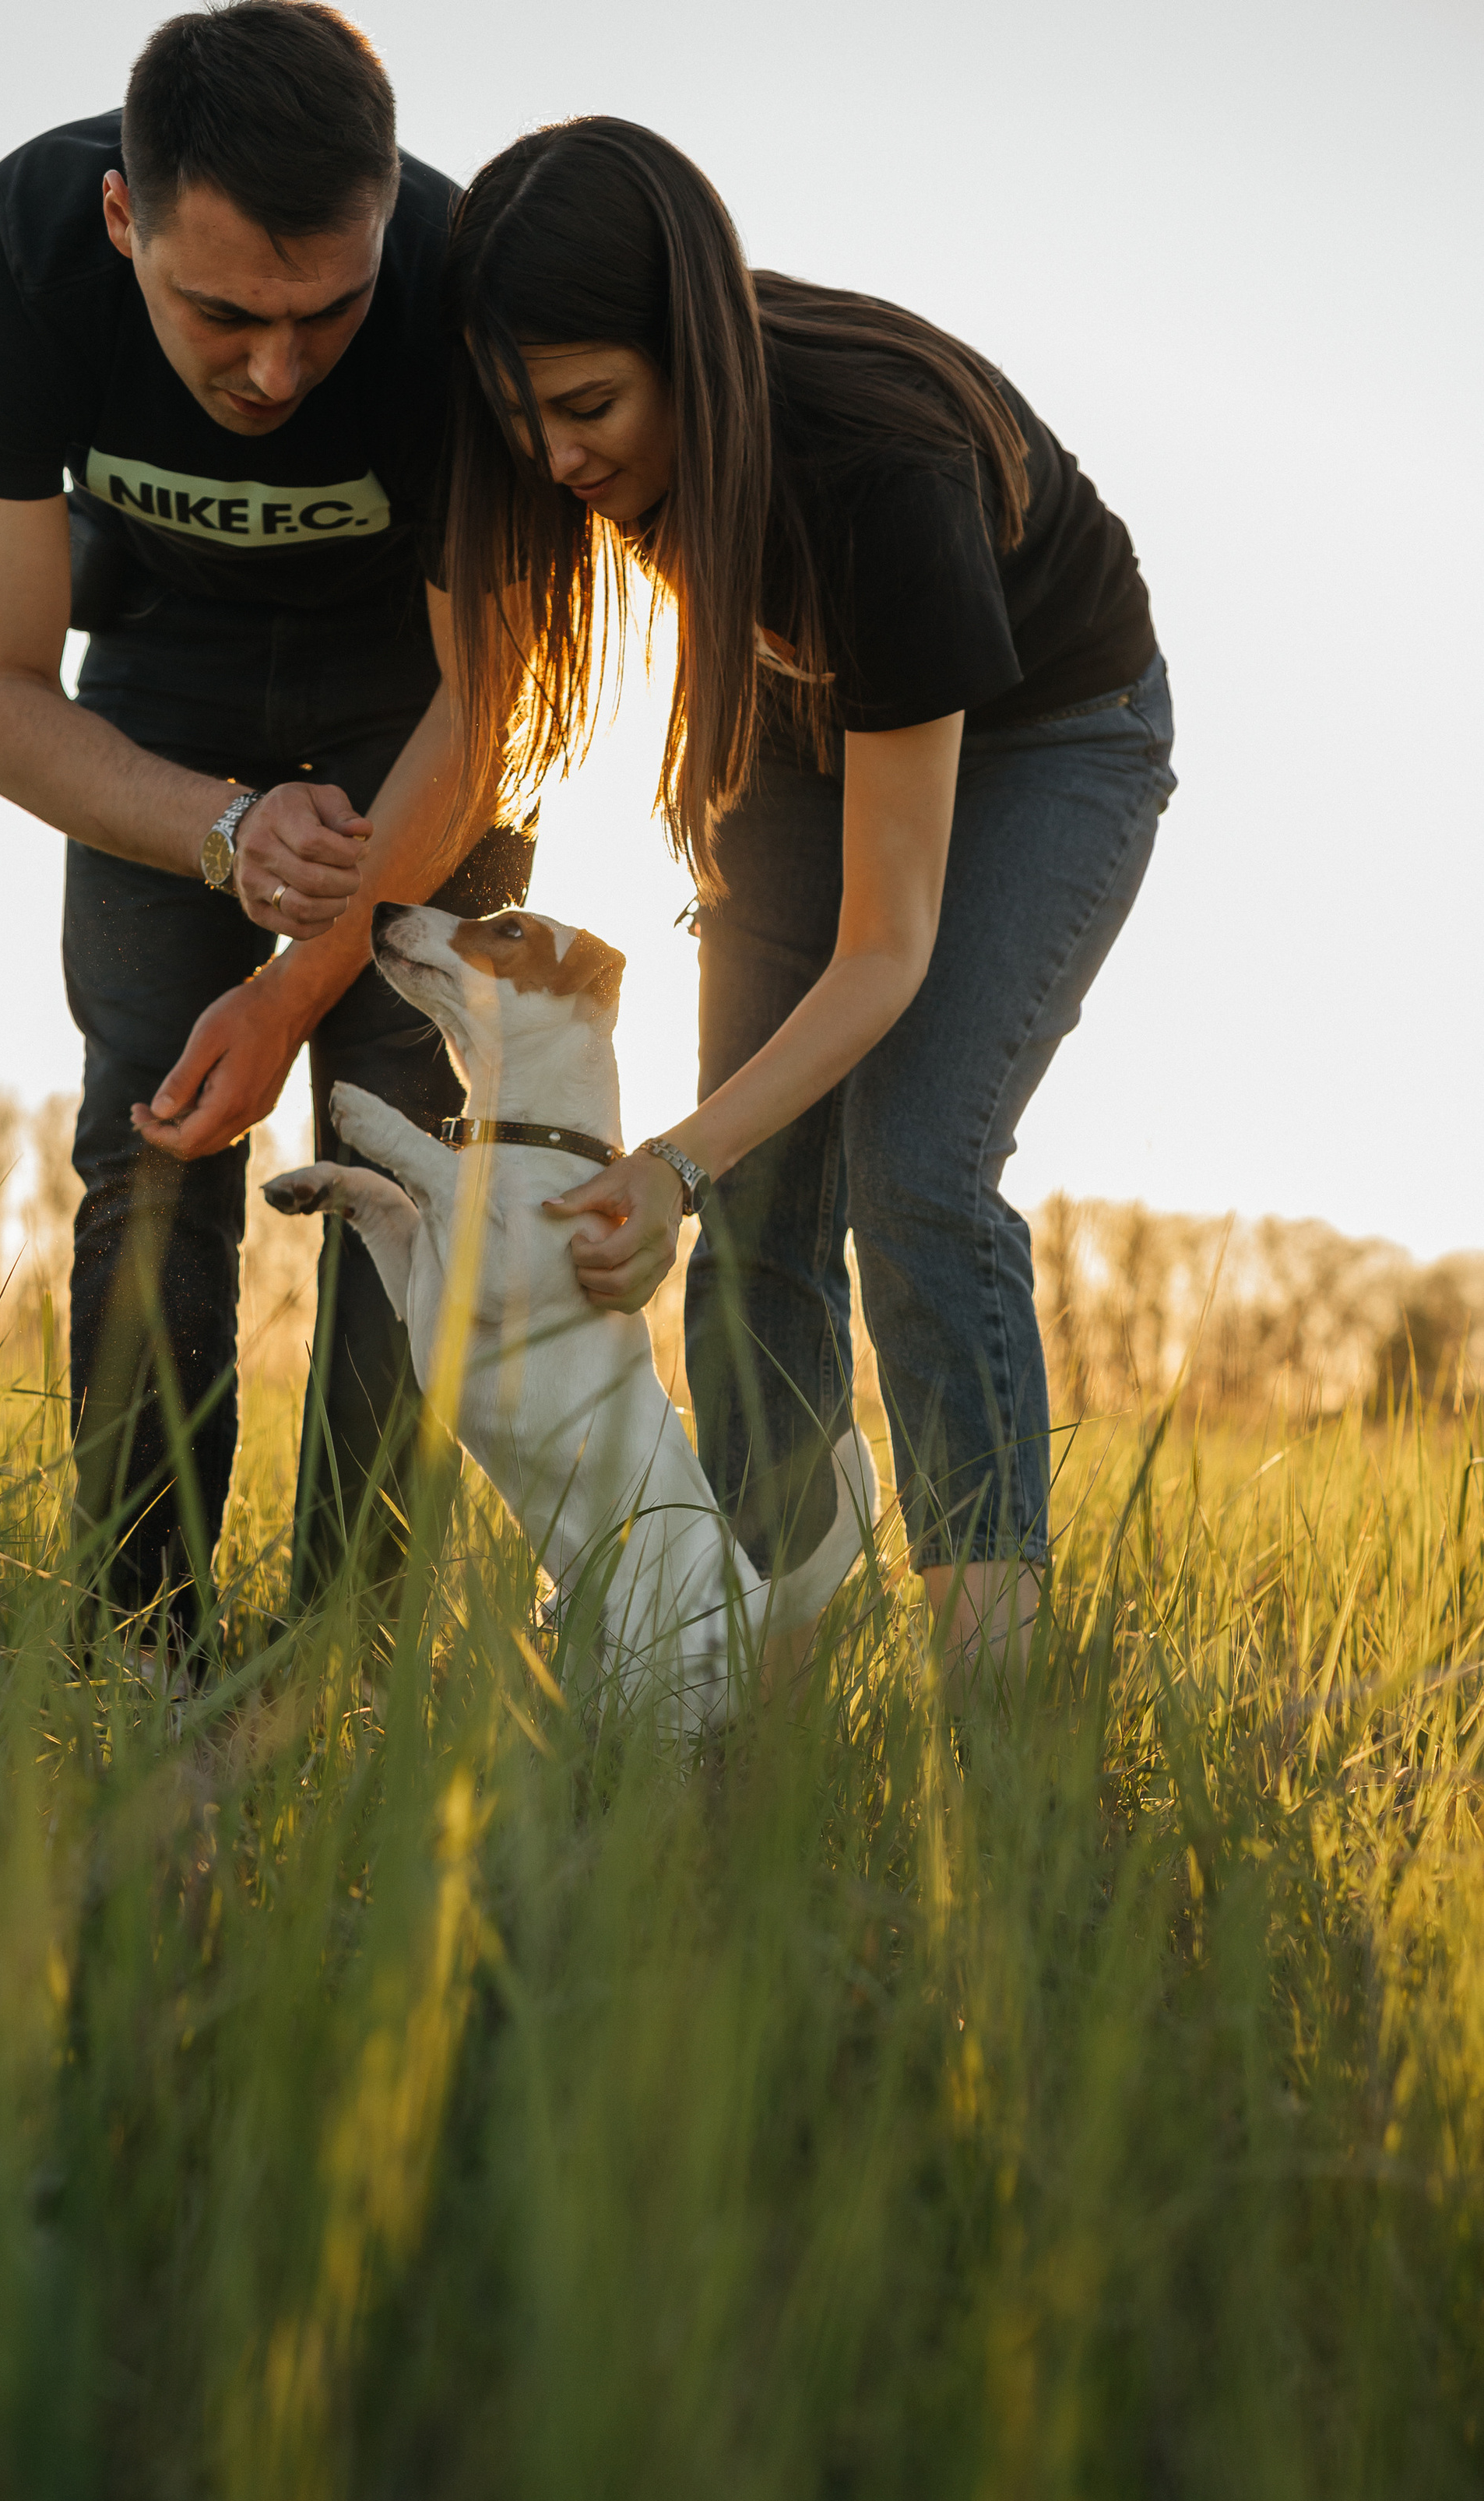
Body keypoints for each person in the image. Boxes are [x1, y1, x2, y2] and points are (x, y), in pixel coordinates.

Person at [437, 120, 1176, 1675]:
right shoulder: (593, 450)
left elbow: (884, 952)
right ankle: (757, 1671)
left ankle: (996, 1686)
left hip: (1051, 733)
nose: (559, 462)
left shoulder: (877, 474)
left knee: (913, 1169)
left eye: (586, 410)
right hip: (807, 715)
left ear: (688, 357)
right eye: (524, 422)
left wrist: (667, 1162)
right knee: (762, 1194)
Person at [0, 0, 529, 1642]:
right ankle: (134, 1643)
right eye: (223, 312)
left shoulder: (464, 293)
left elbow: (495, 704)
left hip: (417, 704)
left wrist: (292, 978)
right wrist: (222, 831)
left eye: (326, 314)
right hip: (155, 686)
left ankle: (349, 1653)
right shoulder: (13, 265)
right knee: (152, 1134)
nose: (275, 366)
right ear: (124, 217)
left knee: (407, 1150)